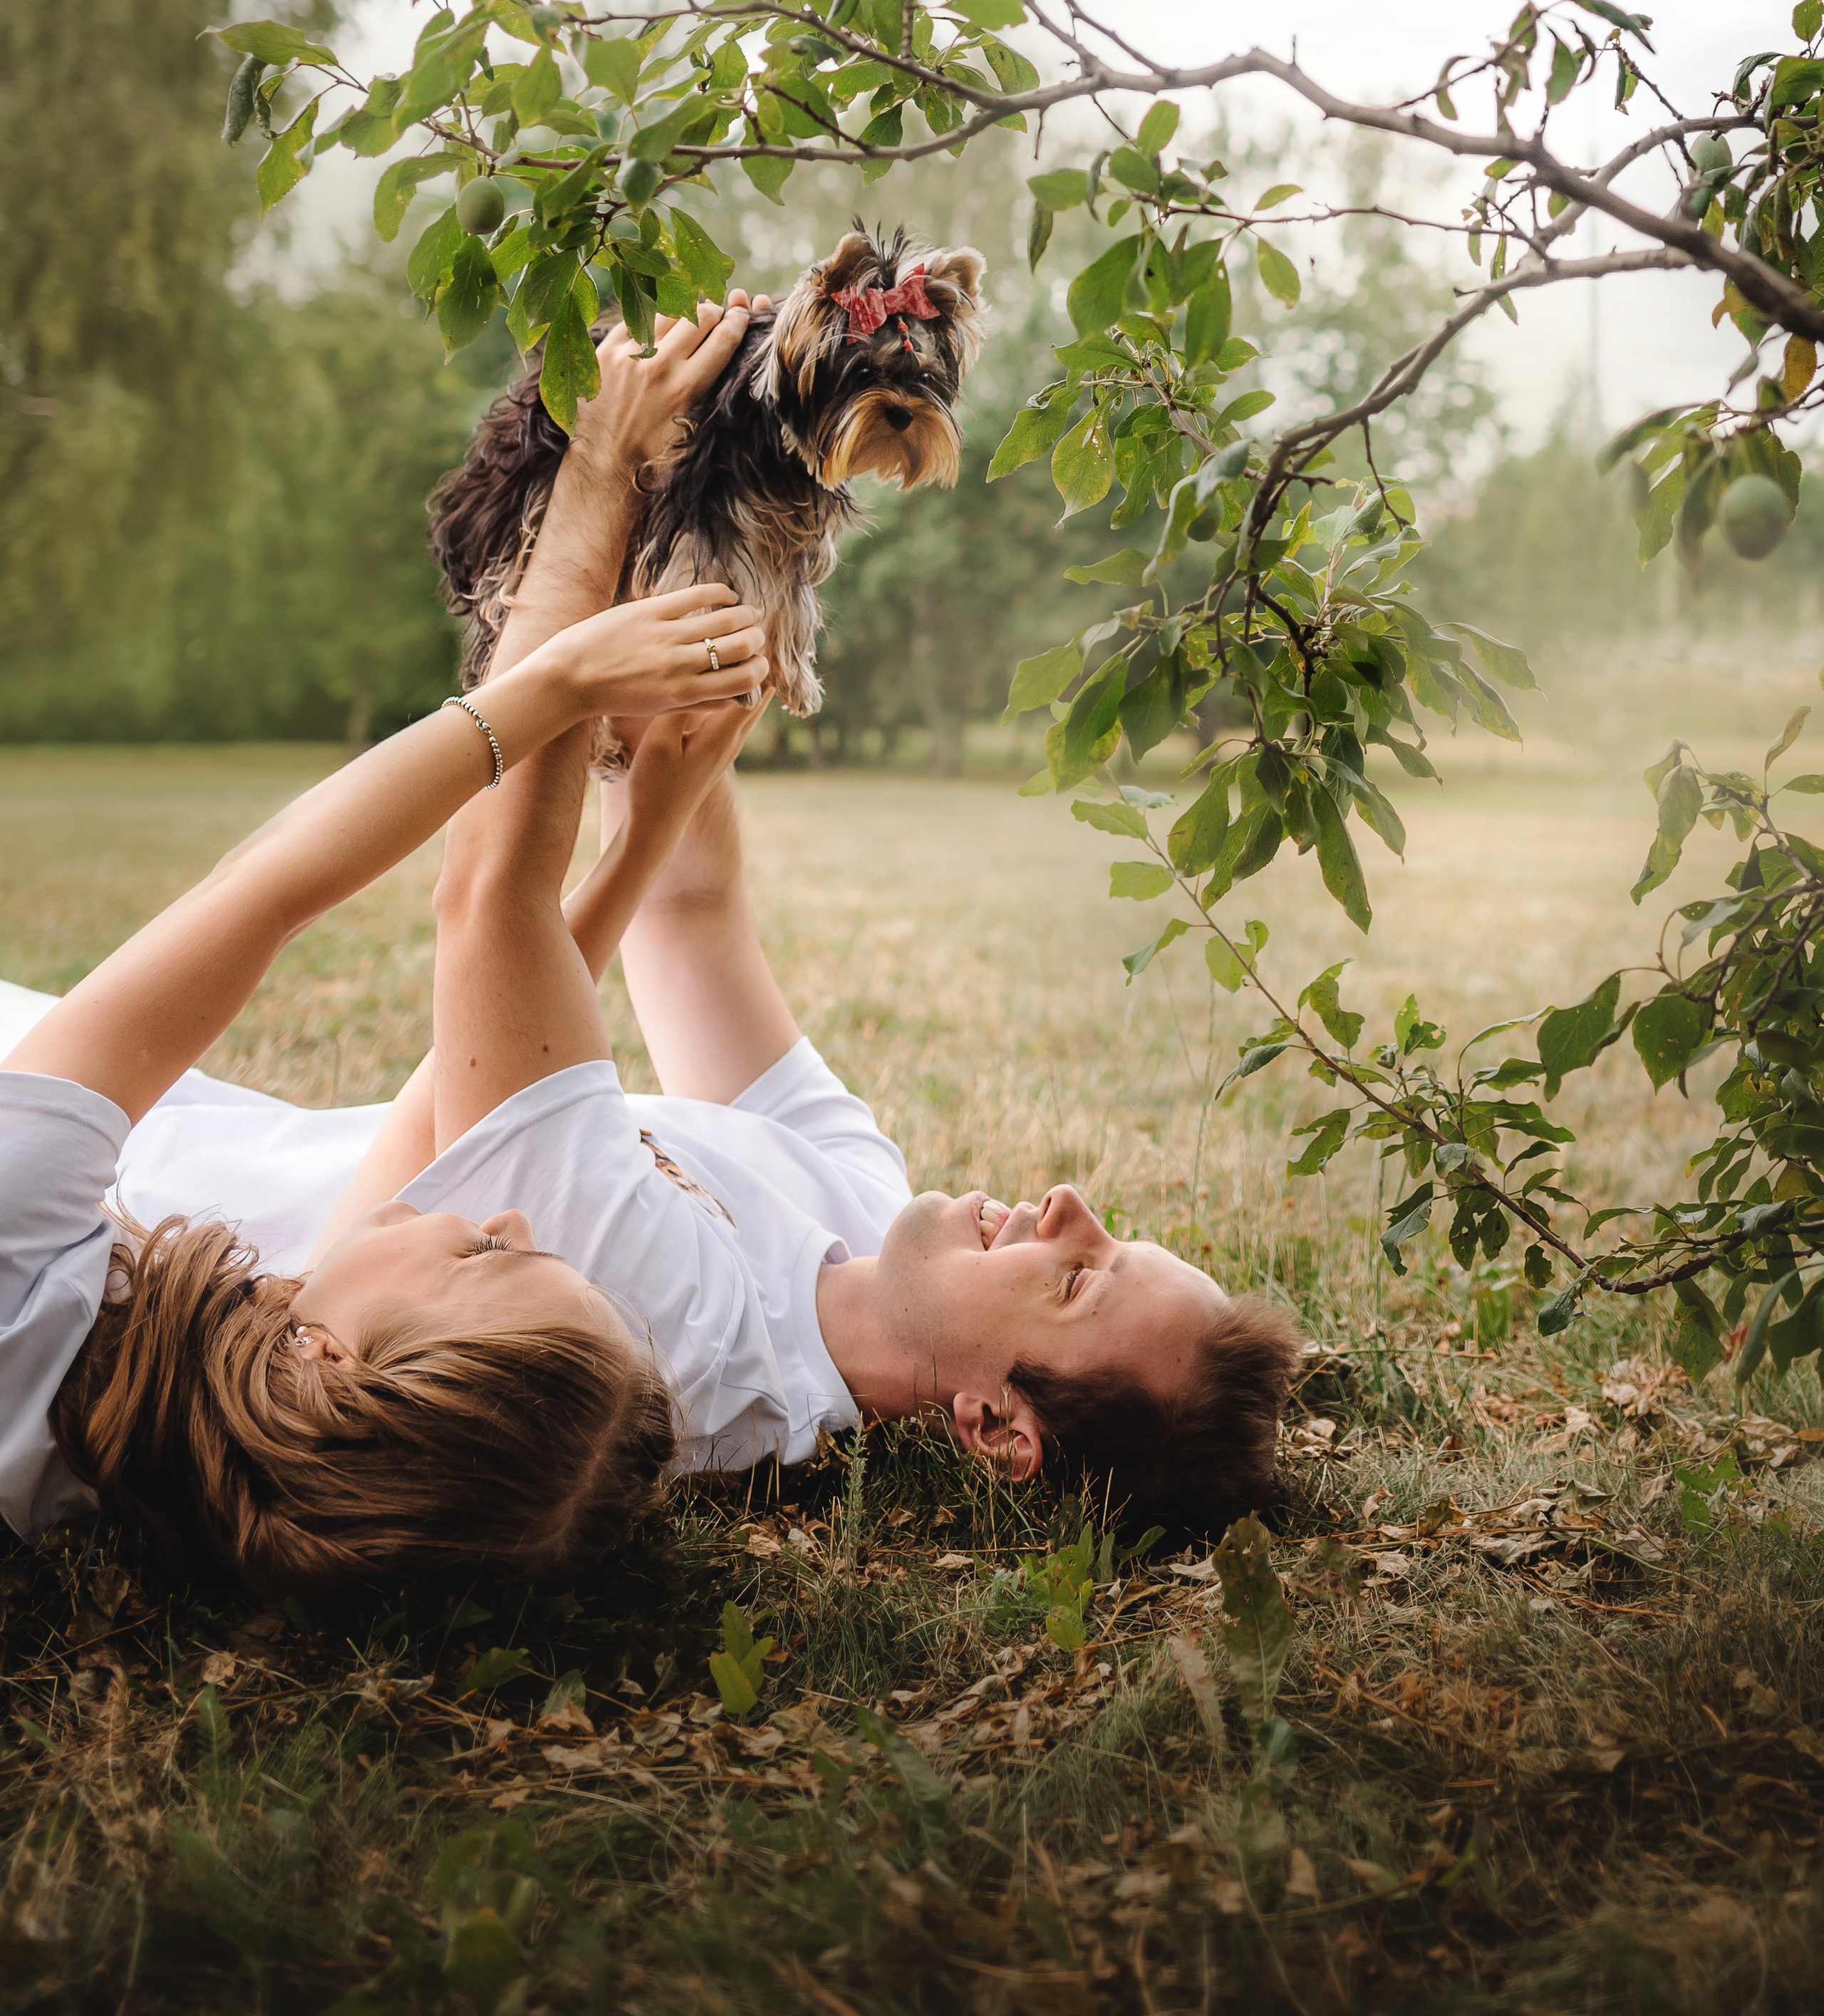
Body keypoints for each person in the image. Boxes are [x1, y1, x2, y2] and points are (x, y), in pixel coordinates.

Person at [5, 288, 1300, 1566]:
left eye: (1081, 1281)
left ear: (994, 1425)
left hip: (76, 1154)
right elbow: (691, 904)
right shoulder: (863, 1204)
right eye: (1115, 1235)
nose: (1074, 1209)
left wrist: (600, 484)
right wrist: (734, 530)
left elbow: (486, 901)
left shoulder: (677, 1338)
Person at [0, 299, 775, 1593]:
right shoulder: (161, 1452)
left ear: (333, 1362)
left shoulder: (16, 1250)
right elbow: (463, 1091)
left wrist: (552, 673)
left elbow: (272, 889)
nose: (516, 1211)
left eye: (488, 1254)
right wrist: (638, 848)